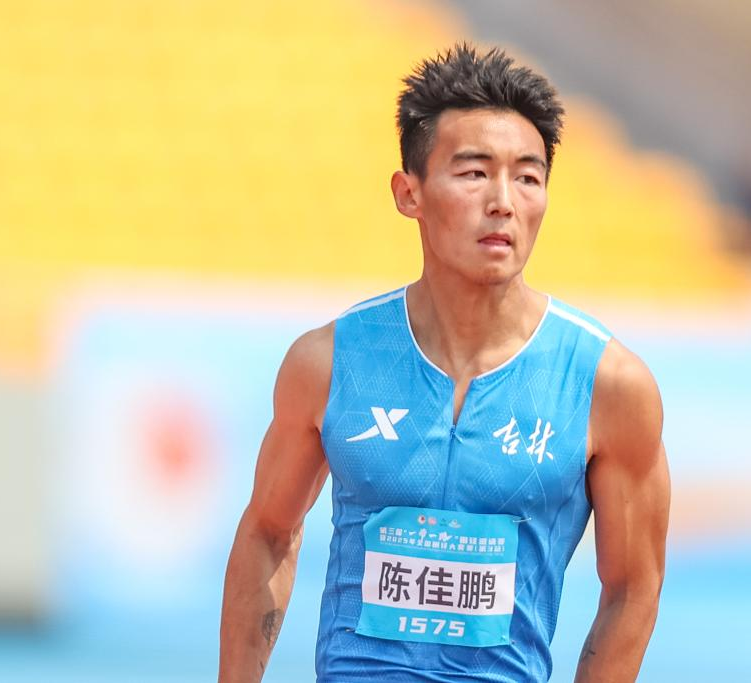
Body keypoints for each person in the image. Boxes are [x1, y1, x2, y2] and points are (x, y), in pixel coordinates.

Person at [219, 43, 670, 683]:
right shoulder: (329, 362)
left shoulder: (608, 385)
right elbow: (268, 532)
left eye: (528, 177)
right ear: (410, 194)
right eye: (474, 172)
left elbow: (633, 587)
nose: (503, 201)